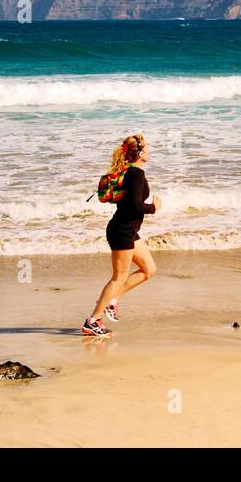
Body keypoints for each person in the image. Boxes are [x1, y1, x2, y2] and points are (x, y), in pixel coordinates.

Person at [83, 133, 160, 336]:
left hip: (128, 230)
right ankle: (92, 321)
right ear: (141, 153)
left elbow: (127, 204)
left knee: (149, 269)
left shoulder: (129, 172)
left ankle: (111, 301)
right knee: (118, 278)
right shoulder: (135, 174)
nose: (150, 151)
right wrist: (154, 207)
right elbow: (135, 206)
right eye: (148, 148)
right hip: (122, 231)